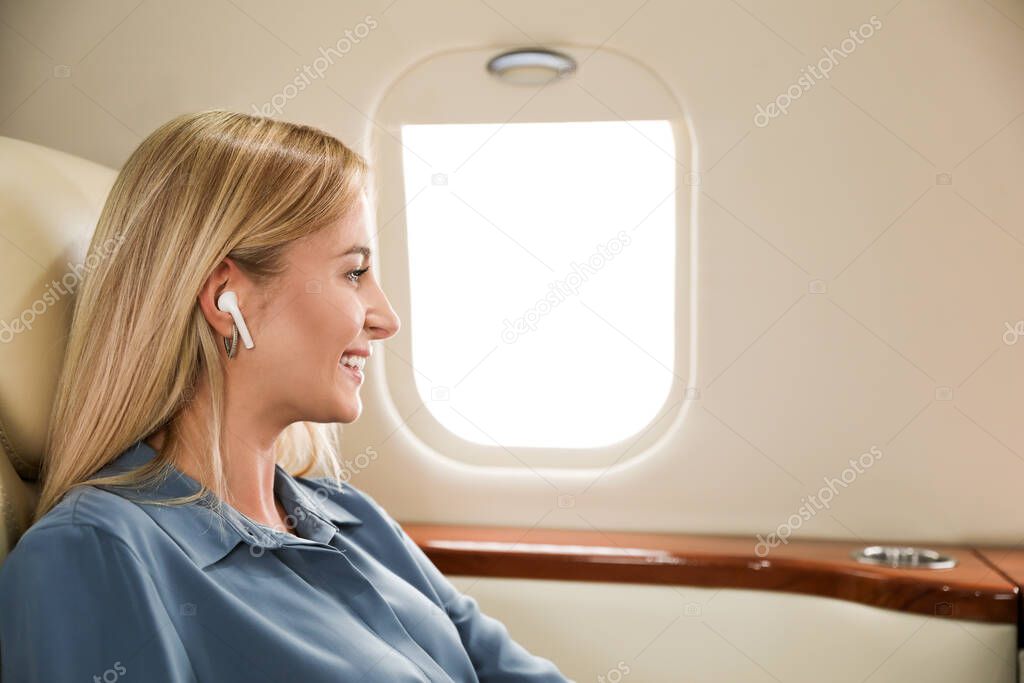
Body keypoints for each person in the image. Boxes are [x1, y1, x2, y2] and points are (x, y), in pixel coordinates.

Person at [0, 110, 571, 682]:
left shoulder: (350, 518)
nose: (387, 319)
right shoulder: (92, 556)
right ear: (229, 300)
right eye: (354, 273)